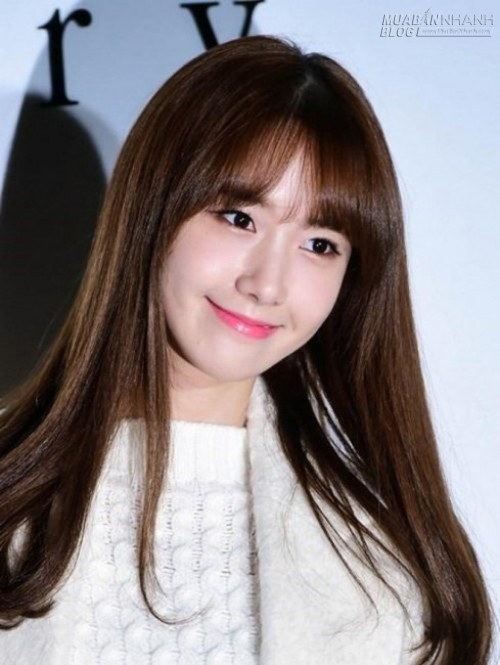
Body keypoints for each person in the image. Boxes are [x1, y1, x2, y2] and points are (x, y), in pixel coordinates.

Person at [0, 35, 493, 665]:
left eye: (320, 244)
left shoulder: (390, 577)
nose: (267, 284)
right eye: (239, 218)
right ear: (153, 211)